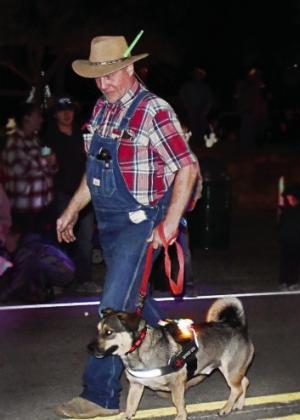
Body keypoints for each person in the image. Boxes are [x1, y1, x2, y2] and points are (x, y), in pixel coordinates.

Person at [55, 35, 197, 418]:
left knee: (114, 308)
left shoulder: (154, 110)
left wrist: (168, 224)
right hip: (110, 225)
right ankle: (181, 356)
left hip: (142, 223)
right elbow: (94, 172)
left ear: (130, 67)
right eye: (98, 77)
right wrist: (72, 210)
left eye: (112, 74)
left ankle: (98, 395)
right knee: (137, 305)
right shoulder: (101, 110)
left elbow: (187, 166)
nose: (105, 84)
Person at [43, 96, 97, 293]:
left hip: (84, 195)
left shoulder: (83, 134)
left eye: (70, 110)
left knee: (85, 240)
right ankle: (59, 280)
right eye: (62, 110)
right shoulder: (48, 137)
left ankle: (85, 280)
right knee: (59, 238)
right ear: (55, 114)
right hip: (61, 194)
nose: (67, 114)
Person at [1, 103, 57, 235]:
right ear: (26, 119)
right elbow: (18, 169)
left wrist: (53, 163)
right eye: (37, 116)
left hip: (42, 207)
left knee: (40, 247)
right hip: (24, 211)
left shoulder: (36, 140)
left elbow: (50, 169)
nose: (41, 120)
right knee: (25, 249)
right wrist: (46, 161)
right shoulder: (14, 141)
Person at [278, 183, 300, 291]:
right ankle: (283, 282)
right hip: (287, 240)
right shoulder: (286, 210)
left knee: (295, 262)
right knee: (285, 261)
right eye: (288, 198)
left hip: (298, 240)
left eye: (291, 197)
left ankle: (293, 282)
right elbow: (281, 225)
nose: (289, 200)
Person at [179, 66, 213, 149]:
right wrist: (187, 106)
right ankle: (192, 145)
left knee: (201, 127)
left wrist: (206, 110)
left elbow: (209, 99)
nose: (198, 76)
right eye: (196, 74)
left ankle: (200, 144)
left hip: (201, 109)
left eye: (200, 74)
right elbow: (182, 95)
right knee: (192, 127)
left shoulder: (205, 87)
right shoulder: (188, 85)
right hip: (191, 109)